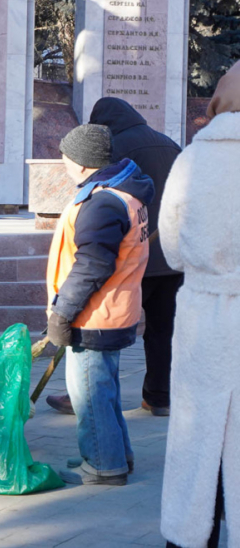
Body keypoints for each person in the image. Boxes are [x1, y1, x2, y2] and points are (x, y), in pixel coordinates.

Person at [47, 97, 183, 417]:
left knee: (104, 325)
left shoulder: (113, 148)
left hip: (132, 254)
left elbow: (100, 196)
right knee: (163, 331)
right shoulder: (170, 144)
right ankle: (159, 397)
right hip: (171, 255)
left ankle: (85, 394)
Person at [159, 63, 240, 548]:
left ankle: (190, 537)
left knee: (196, 439)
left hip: (203, 317)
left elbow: (170, 247)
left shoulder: (191, 159)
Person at [47, 124, 154, 486]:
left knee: (89, 394)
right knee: (104, 390)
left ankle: (104, 465)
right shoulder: (125, 193)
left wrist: (62, 312)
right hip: (116, 309)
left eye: (65, 157)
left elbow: (92, 265)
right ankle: (115, 453)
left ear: (81, 162)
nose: (63, 163)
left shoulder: (103, 202)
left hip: (96, 314)